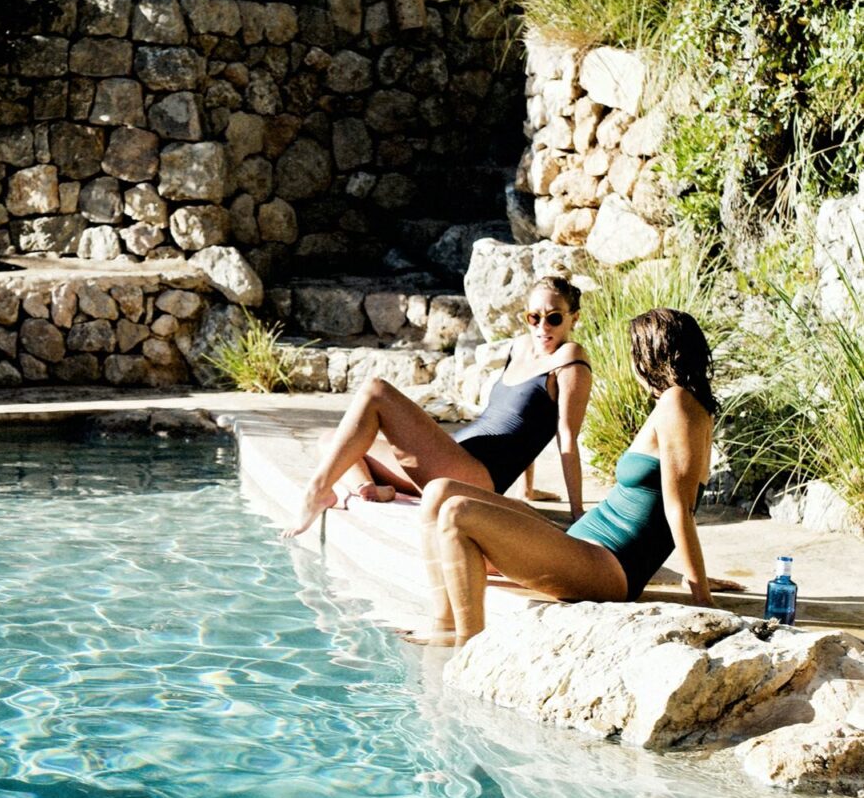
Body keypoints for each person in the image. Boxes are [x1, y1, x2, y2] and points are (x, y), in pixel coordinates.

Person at [416, 307, 721, 646]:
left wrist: (702, 598)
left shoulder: (679, 403)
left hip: (607, 567)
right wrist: (688, 578)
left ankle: (466, 643)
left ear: (651, 354)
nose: (633, 364)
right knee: (439, 491)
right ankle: (443, 623)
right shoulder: (677, 402)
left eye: (635, 352)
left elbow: (678, 508)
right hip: (581, 544)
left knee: (459, 512)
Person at [284, 276, 593, 536]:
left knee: (375, 391)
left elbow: (565, 437)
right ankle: (370, 489)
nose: (542, 327)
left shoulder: (571, 361)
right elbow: (525, 420)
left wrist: (577, 513)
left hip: (474, 474)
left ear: (573, 318)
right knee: (331, 440)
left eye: (554, 318)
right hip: (451, 457)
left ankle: (316, 492)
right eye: (533, 317)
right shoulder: (522, 347)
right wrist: (526, 490)